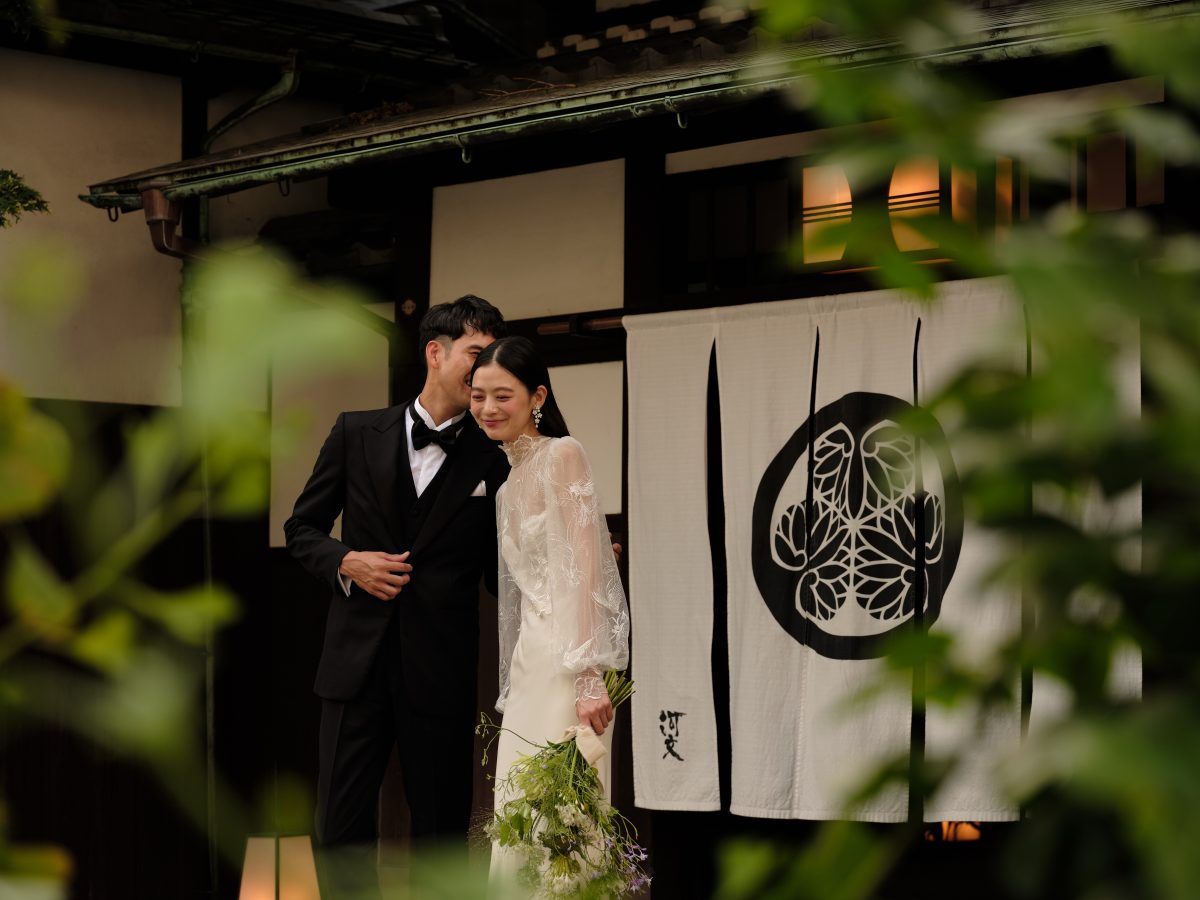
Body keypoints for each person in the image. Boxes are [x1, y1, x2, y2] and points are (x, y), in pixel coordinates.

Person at [284, 295, 508, 897]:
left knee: (441, 834)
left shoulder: (495, 457)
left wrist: (575, 554)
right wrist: (346, 561)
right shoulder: (355, 432)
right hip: (354, 666)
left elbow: (501, 570)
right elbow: (301, 529)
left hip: (440, 669)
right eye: (476, 354)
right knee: (339, 830)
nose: (486, 370)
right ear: (435, 353)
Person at [466, 336, 631, 881]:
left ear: (537, 397)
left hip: (568, 661)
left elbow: (584, 569)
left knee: (564, 822)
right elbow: (521, 592)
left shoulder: (563, 454)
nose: (488, 408)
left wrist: (588, 673)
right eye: (478, 396)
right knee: (519, 814)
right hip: (529, 662)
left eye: (503, 396)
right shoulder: (506, 487)